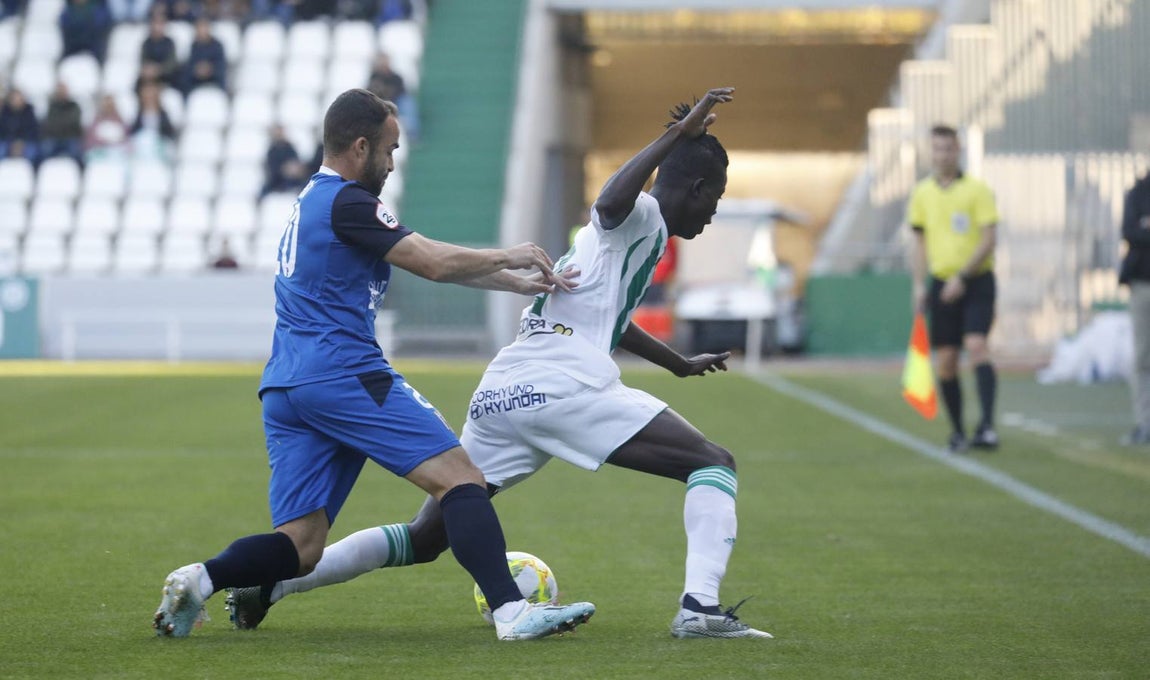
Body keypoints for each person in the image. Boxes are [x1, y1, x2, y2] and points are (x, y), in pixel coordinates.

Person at [227, 87, 773, 640]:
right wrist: (677, 135)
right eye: (716, 198)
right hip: (563, 383)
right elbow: (608, 202)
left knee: (427, 536)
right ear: (699, 187)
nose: (714, 212)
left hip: (505, 390)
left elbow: (610, 318)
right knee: (713, 463)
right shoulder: (641, 214)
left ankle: (275, 584)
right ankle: (699, 607)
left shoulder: (635, 241)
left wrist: (677, 363)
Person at [152, 88, 595, 641]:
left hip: (288, 386)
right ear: (360, 147)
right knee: (461, 479)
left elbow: (421, 260)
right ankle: (512, 613)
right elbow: (431, 261)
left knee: (302, 545)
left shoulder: (313, 200)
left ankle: (201, 579)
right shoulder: (349, 201)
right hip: (344, 371)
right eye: (389, 149)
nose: (392, 162)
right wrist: (512, 253)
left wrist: (513, 282)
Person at [908, 124, 1000, 453]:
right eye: (937, 149)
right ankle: (959, 431)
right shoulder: (922, 193)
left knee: (976, 345)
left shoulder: (977, 190)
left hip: (976, 282)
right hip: (940, 283)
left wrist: (962, 277)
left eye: (948, 148)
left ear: (958, 150)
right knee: (946, 360)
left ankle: (987, 426)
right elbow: (919, 243)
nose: (943, 154)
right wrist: (920, 284)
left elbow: (989, 239)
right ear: (931, 152)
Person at [1118, 170, 1150, 445]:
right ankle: (1145, 423)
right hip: (1143, 284)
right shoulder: (1138, 192)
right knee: (1142, 356)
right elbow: (1130, 232)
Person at [130, 81, 177, 162]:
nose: (149, 97)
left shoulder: (163, 115)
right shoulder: (137, 114)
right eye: (146, 95)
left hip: (160, 146)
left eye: (151, 94)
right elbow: (133, 132)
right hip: (141, 146)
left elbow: (169, 133)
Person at [40, 82, 85, 165]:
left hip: (70, 137)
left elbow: (74, 122)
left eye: (63, 90)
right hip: (54, 138)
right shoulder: (52, 106)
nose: (61, 92)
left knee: (77, 153)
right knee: (44, 151)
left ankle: (80, 173)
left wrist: (60, 124)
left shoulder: (74, 106)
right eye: (59, 90)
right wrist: (63, 123)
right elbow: (50, 123)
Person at [182, 16, 227, 94]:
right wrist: (197, 70)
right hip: (196, 80)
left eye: (204, 27)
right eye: (199, 27)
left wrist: (209, 70)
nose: (202, 30)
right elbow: (190, 64)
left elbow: (221, 65)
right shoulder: (194, 46)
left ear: (209, 28)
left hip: (214, 79)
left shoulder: (217, 45)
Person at [261, 124, 308, 197]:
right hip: (277, 179)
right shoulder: (272, 150)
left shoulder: (290, 147)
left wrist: (295, 169)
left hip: (292, 178)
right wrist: (283, 169)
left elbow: (296, 160)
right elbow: (271, 167)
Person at [0, 88, 40, 164]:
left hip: (26, 141)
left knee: (32, 153)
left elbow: (33, 130)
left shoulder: (29, 112)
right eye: (14, 98)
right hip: (8, 141)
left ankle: (31, 173)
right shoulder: (5, 113)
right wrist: (12, 143)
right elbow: (3, 130)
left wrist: (21, 143)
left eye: (19, 98)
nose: (16, 101)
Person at [85, 94, 129, 162]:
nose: (108, 107)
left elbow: (126, 139)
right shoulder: (96, 121)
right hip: (100, 153)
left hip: (117, 153)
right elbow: (90, 141)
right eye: (106, 105)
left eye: (111, 105)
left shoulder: (120, 121)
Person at [140, 13, 180, 87]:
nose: (157, 27)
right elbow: (143, 61)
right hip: (149, 77)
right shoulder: (146, 43)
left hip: (166, 77)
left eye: (160, 24)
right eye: (155, 23)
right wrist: (148, 69)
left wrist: (158, 70)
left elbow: (172, 62)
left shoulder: (169, 42)